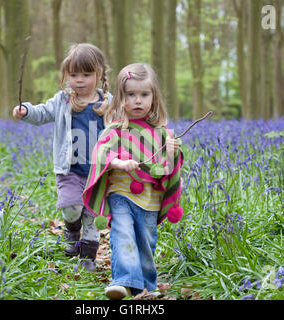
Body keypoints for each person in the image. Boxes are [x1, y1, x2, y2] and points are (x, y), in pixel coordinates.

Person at [82, 63, 184, 299]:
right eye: (131, 95)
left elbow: (168, 169)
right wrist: (119, 163)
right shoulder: (115, 130)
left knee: (146, 241)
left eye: (144, 95)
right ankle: (123, 280)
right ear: (120, 98)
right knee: (123, 233)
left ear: (154, 98)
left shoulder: (162, 133)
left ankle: (146, 284)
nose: (138, 100)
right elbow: (100, 154)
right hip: (121, 194)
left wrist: (171, 152)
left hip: (150, 199)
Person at [12, 43, 112, 272]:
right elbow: (42, 113)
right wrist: (25, 110)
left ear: (99, 74)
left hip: (98, 172)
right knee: (72, 207)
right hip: (70, 170)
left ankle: (88, 259)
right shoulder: (62, 100)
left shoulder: (108, 103)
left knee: (93, 216)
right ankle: (71, 228)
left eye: (86, 75)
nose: (79, 80)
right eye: (73, 74)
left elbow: (123, 126)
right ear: (66, 75)